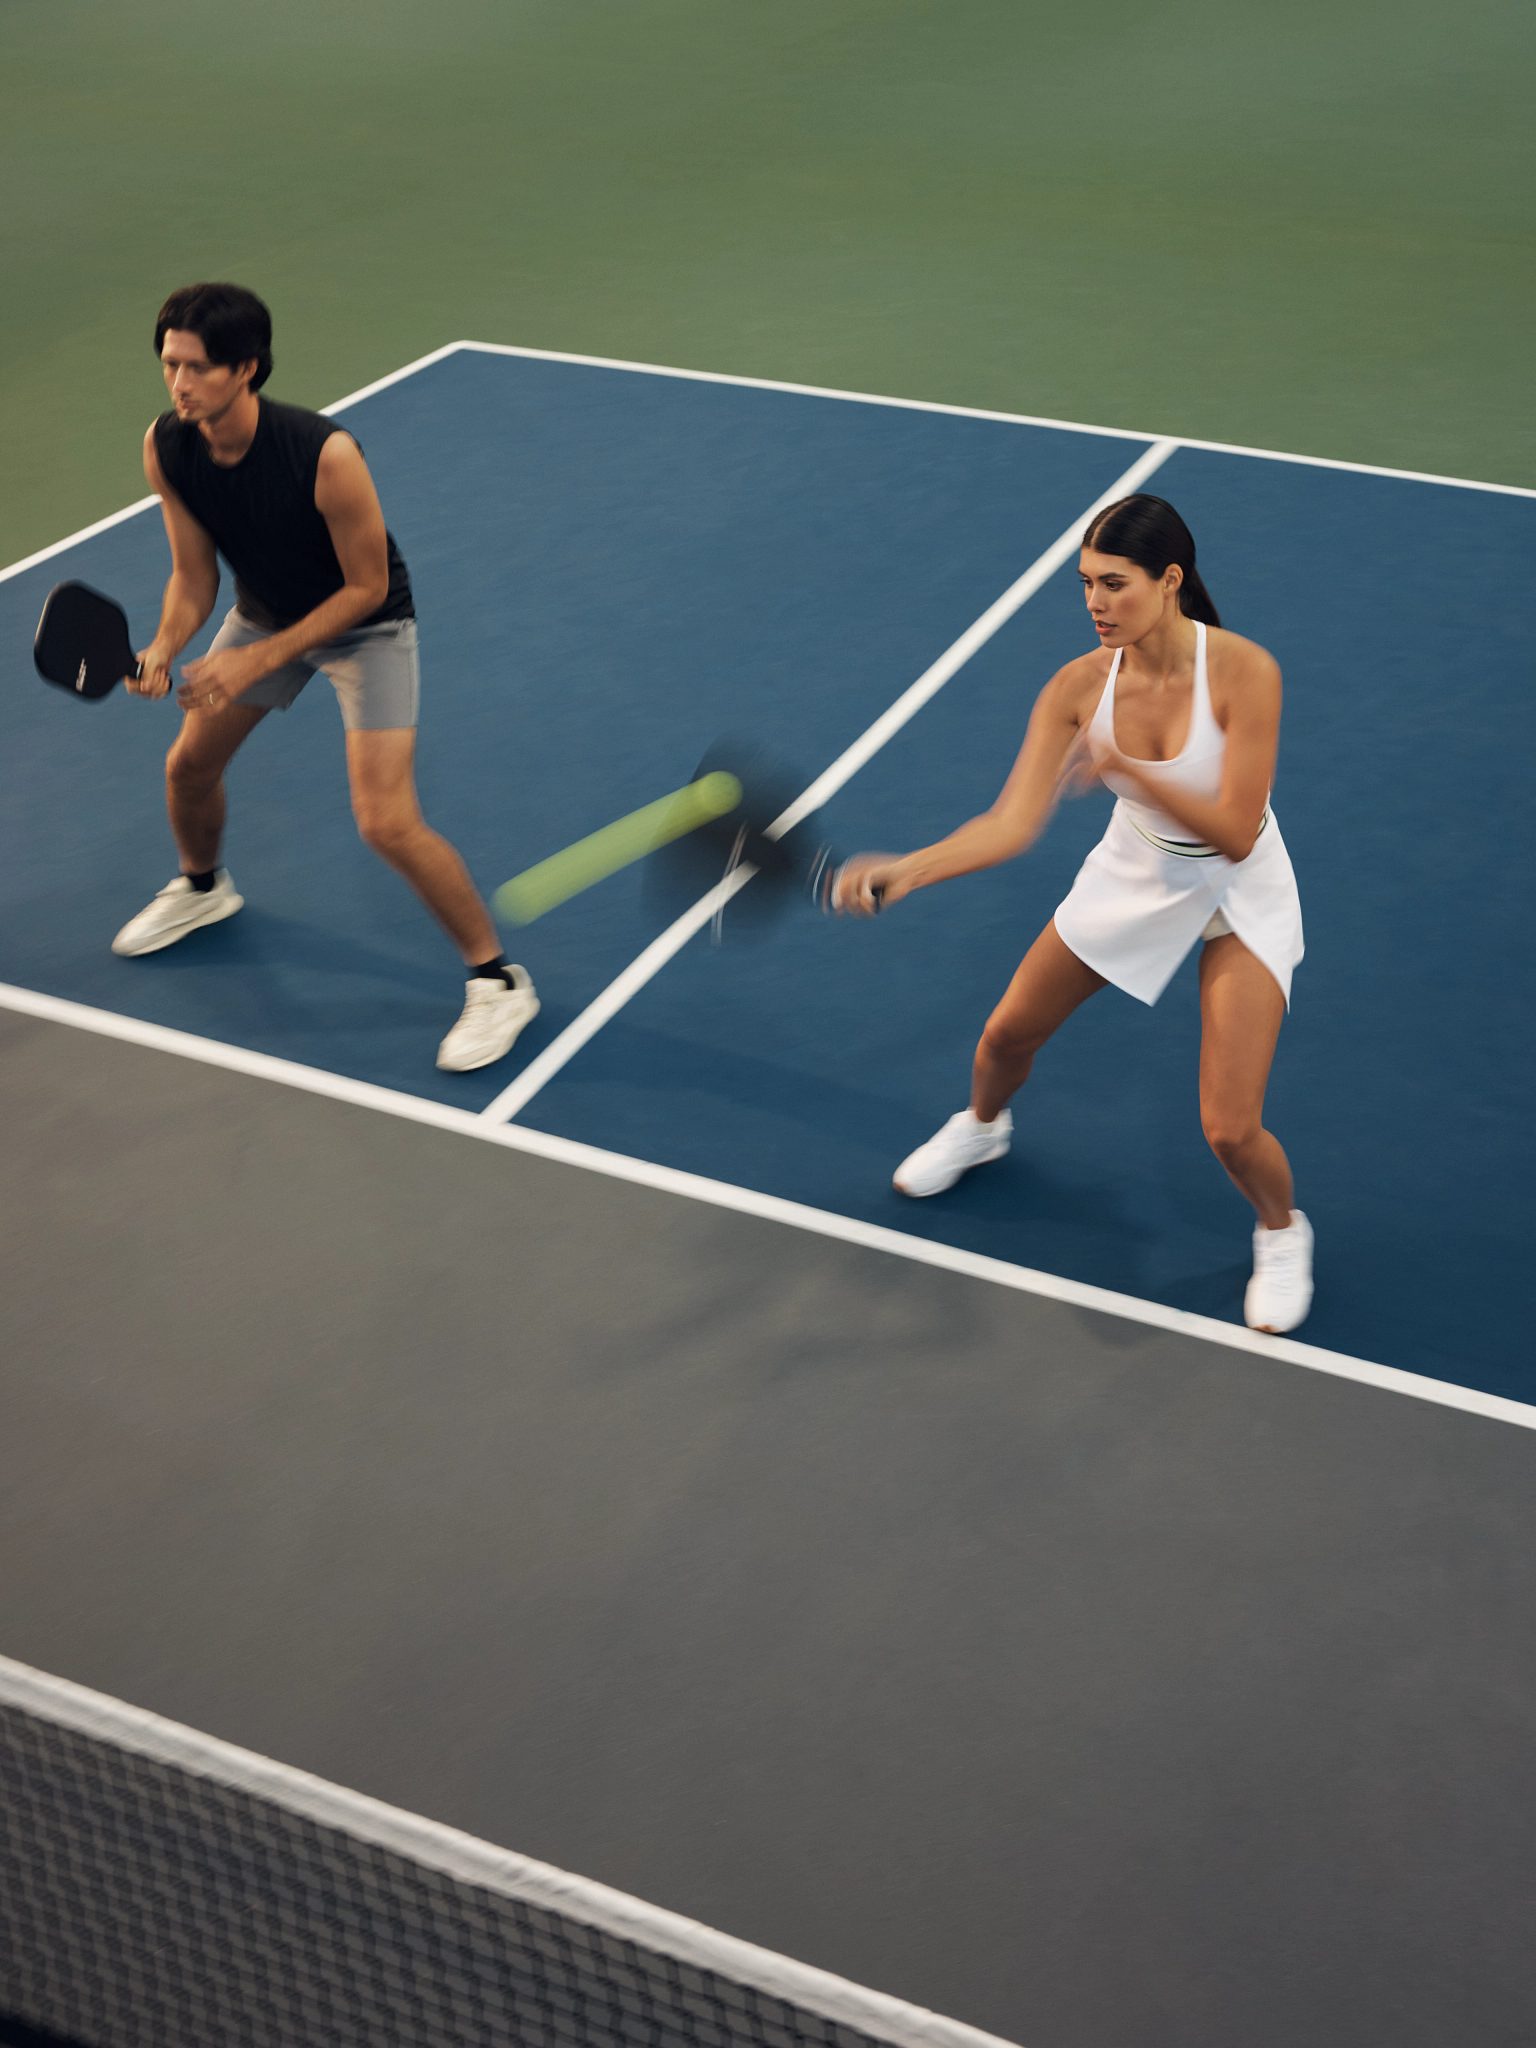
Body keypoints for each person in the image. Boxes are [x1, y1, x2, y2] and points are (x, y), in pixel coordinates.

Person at [832, 494, 1311, 1333]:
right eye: (1086, 583)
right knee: (1005, 1036)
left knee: (1231, 1130)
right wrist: (911, 869)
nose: (1095, 602)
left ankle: (1282, 1231)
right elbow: (1011, 823)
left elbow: (1237, 833)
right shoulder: (1078, 687)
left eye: (1114, 584)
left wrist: (1133, 770)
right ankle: (983, 1127)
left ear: (1170, 581)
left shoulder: (1246, 672)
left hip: (1241, 892)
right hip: (1137, 871)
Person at [113, 281, 537, 1073]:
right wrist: (166, 644)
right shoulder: (168, 446)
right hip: (264, 615)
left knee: (385, 821)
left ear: (247, 368)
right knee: (188, 768)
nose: (179, 383)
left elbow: (366, 587)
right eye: (170, 364)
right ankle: (203, 890)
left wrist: (256, 658)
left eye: (198, 367)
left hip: (366, 629)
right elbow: (193, 576)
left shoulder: (325, 454)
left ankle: (499, 980)